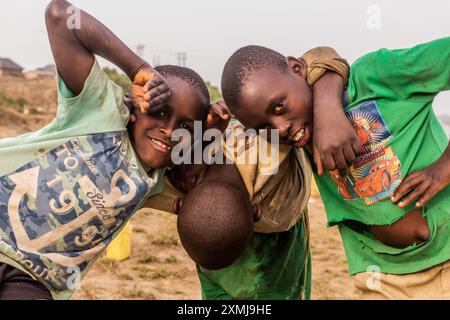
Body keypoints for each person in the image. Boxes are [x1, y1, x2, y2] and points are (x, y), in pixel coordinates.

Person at [0, 0, 210, 300]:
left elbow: (210, 164)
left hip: (33, 279)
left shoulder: (158, 180)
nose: (170, 130)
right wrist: (139, 69)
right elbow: (59, 14)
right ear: (137, 105)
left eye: (186, 128)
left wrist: (215, 127)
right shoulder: (100, 110)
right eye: (161, 112)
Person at [220, 37, 450, 299]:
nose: (280, 127)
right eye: (264, 127)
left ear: (297, 69)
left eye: (279, 105)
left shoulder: (374, 76)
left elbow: (319, 56)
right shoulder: (297, 137)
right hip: (384, 278)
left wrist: (444, 167)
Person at [146, 47, 349, 299]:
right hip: (235, 236)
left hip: (273, 245)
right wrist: (329, 107)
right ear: (256, 212)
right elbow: (322, 56)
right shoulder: (271, 145)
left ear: (178, 204)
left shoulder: (170, 176)